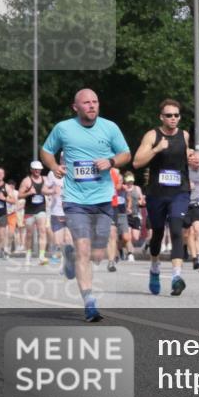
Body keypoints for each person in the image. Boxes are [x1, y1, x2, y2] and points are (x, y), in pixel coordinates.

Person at [40, 88, 132, 322]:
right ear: (76, 107)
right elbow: (46, 151)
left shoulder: (110, 127)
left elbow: (126, 154)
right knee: (83, 248)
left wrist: (111, 161)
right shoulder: (63, 128)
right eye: (86, 102)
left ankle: (70, 257)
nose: (92, 106)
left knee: (98, 255)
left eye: (95, 102)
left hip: (103, 199)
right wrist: (54, 166)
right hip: (75, 200)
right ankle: (90, 303)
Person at [132, 99, 192, 295]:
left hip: (180, 191)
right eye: (169, 115)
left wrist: (191, 157)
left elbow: (184, 159)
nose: (173, 118)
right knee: (157, 234)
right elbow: (137, 162)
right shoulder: (152, 135)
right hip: (157, 193)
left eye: (176, 115)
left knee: (176, 229)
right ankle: (155, 268)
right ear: (161, 117)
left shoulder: (184, 135)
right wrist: (156, 149)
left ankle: (176, 277)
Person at [17, 161, 50, 265]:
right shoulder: (26, 181)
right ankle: (28, 256)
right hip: (29, 211)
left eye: (39, 169)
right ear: (31, 170)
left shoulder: (45, 179)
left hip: (41, 209)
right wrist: (28, 193)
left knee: (42, 231)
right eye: (35, 169)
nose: (37, 171)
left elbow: (52, 188)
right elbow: (19, 195)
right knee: (29, 234)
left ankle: (41, 256)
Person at [42, 159, 68, 265]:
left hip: (72, 210)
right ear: (61, 160)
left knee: (68, 239)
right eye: (63, 158)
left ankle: (67, 262)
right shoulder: (52, 173)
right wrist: (52, 191)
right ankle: (59, 257)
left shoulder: (77, 171)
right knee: (58, 241)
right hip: (57, 211)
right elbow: (43, 190)